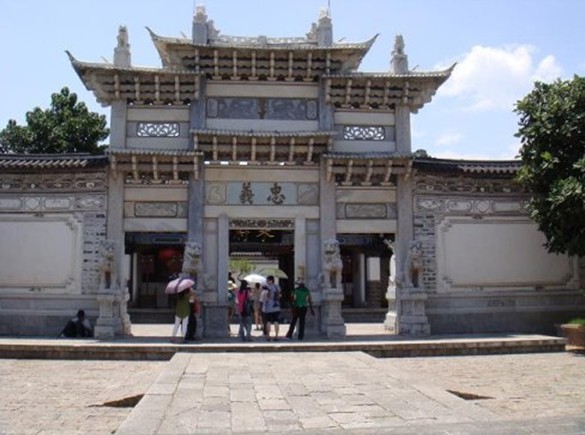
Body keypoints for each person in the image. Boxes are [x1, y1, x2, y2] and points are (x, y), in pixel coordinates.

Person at [261, 275, 281, 341]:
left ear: (270, 280)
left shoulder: (266, 287)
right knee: (276, 321)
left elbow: (264, 298)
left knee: (268, 322)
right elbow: (280, 296)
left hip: (268, 307)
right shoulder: (277, 287)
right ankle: (277, 336)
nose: (266, 281)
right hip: (276, 306)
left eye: (267, 280)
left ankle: (268, 336)